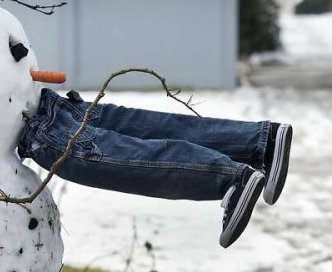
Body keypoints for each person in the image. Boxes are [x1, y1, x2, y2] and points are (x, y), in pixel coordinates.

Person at [17, 86, 293, 248]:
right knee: (129, 126)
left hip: (9, 115)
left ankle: (230, 180)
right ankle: (261, 142)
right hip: (16, 88)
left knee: (94, 158)